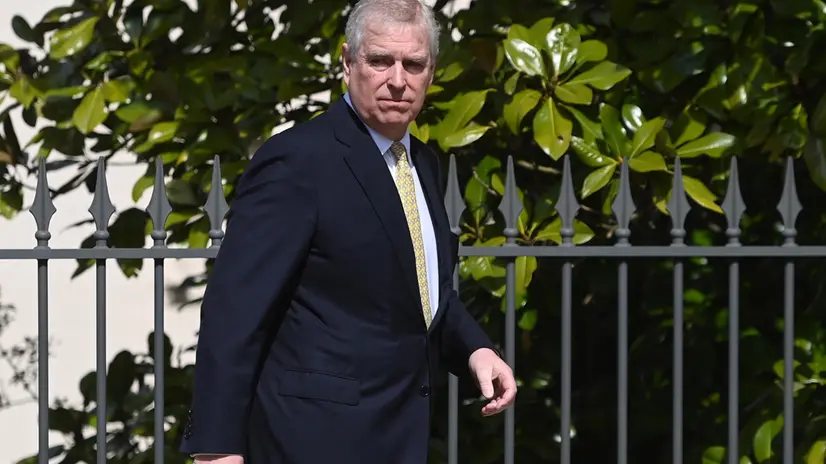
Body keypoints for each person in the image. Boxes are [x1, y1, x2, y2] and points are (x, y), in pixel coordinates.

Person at [179, 0, 516, 462]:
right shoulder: (298, 161)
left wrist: (476, 350)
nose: (397, 80)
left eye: (413, 64)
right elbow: (234, 312)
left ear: (431, 73)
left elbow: (418, 287)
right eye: (380, 61)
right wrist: (216, 449)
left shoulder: (423, 163)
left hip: (399, 438)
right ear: (347, 62)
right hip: (309, 441)